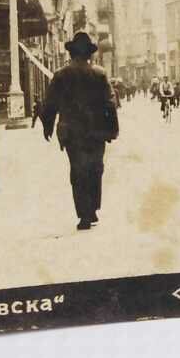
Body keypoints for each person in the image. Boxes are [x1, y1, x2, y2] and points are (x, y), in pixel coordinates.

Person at [37, 32, 119, 230]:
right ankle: (92, 209)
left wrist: (47, 126)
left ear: (72, 53)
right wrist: (112, 130)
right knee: (95, 169)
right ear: (89, 54)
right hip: (96, 131)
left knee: (78, 170)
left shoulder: (61, 75)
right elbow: (110, 104)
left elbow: (50, 104)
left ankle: (83, 214)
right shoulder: (99, 74)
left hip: (71, 132)